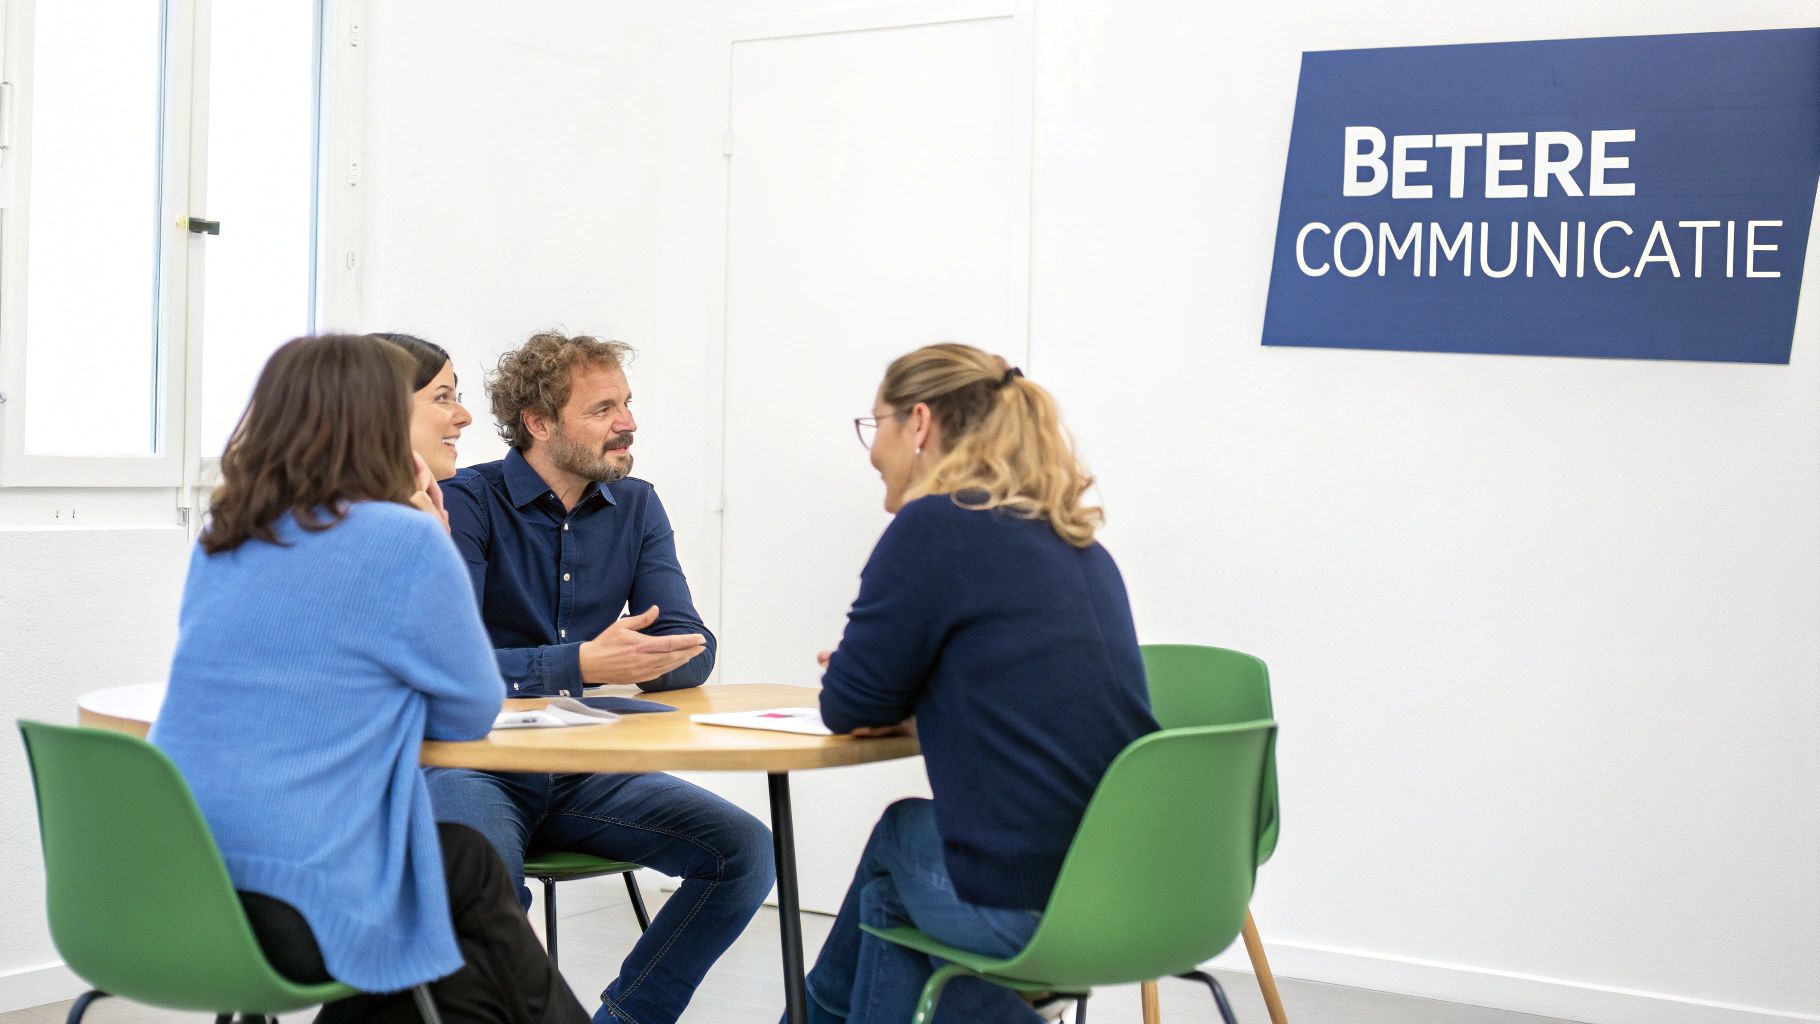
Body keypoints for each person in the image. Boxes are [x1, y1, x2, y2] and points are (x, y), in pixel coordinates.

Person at [150, 335, 587, 1024]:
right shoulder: (403, 539)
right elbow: (472, 710)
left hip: (181, 885)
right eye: (433, 401)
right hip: (299, 905)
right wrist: (436, 546)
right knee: (457, 878)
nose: (457, 417)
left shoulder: (227, 537)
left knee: (458, 916)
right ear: (377, 423)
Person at [796, 343, 1160, 1024]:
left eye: (877, 426)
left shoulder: (935, 527)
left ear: (921, 424)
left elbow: (846, 704)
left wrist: (888, 693)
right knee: (887, 902)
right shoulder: (1074, 540)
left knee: (900, 835)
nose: (873, 451)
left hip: (1033, 903)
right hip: (1139, 887)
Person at [428, 331, 775, 1024]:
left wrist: (659, 654)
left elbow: (688, 643)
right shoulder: (465, 503)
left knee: (743, 851)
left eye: (628, 403)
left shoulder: (637, 506)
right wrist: (583, 663)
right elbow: (449, 667)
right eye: (603, 408)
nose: (628, 423)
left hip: (583, 766)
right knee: (483, 888)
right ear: (539, 423)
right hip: (475, 764)